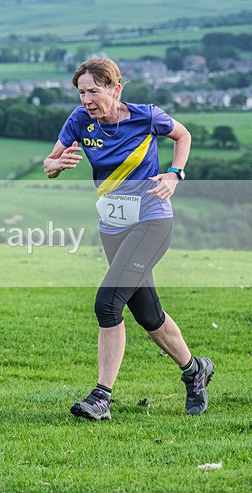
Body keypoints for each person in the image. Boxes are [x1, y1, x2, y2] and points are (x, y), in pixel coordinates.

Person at [44, 56, 214, 420]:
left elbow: (182, 135)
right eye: (80, 93)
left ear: (115, 88)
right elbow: (50, 163)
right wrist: (55, 166)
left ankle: (101, 397)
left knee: (107, 304)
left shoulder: (146, 115)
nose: (86, 99)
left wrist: (174, 175)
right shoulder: (78, 122)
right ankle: (194, 370)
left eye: (92, 91)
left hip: (152, 221)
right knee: (149, 314)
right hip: (113, 228)